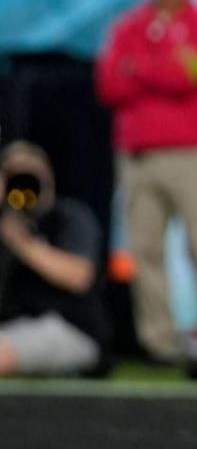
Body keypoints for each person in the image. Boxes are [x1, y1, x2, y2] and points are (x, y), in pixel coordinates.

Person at [94, 0, 197, 365]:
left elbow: (192, 74)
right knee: (144, 251)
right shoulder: (128, 27)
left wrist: (141, 67)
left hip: (188, 155)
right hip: (137, 158)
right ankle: (160, 342)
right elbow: (109, 84)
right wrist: (161, 66)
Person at [0, 141, 108, 377]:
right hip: (13, 326)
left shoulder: (69, 216)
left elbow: (79, 276)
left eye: (30, 174)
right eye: (14, 175)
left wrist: (23, 243)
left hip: (69, 327)